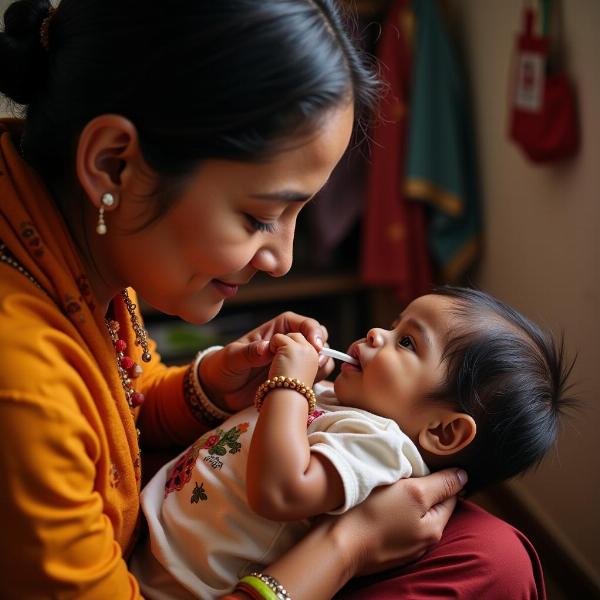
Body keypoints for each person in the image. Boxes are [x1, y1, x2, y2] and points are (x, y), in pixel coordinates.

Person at [0, 1, 548, 599]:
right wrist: (345, 548)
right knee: (496, 560)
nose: (281, 259)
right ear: (113, 164)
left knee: (493, 554)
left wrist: (212, 385)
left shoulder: (75, 233)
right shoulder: (24, 386)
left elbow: (124, 394)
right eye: (260, 215)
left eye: (298, 213)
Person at [131, 286, 572, 599]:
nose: (377, 333)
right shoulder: (341, 400)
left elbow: (281, 490)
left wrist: (289, 385)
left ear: (443, 431)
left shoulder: (381, 446)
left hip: (180, 584)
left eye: (407, 342)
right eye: (396, 323)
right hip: (148, 537)